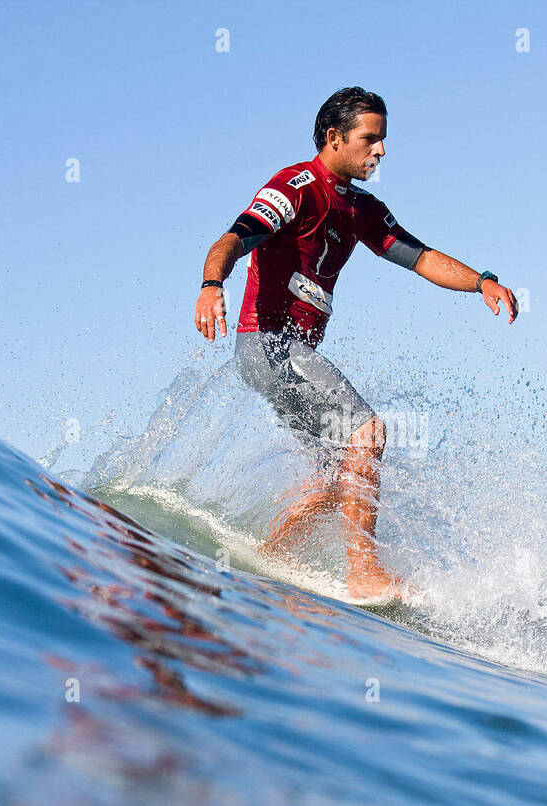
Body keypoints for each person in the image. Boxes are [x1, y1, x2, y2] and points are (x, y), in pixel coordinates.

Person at [194, 87, 518, 601]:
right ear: (333, 137)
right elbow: (233, 238)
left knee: (333, 474)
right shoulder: (294, 187)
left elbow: (419, 255)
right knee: (366, 432)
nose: (381, 151)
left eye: (383, 140)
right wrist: (213, 285)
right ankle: (364, 571)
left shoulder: (362, 208)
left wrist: (481, 281)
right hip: (269, 343)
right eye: (370, 139)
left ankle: (267, 561)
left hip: (291, 353)